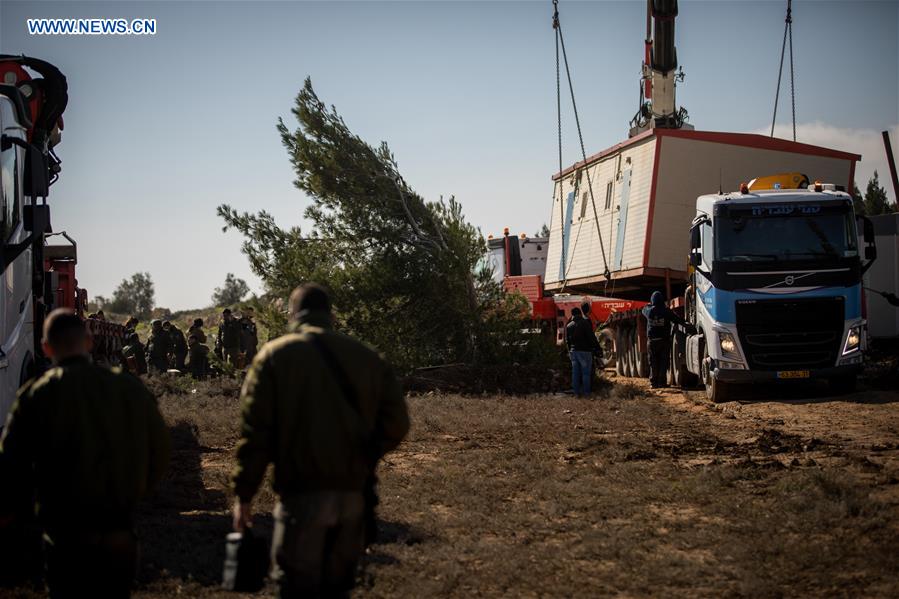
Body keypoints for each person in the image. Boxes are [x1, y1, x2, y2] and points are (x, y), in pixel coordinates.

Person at [231, 283, 409, 597]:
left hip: (301, 496)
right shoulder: (367, 357)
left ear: (293, 314)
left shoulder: (274, 356)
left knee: (297, 587)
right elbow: (398, 423)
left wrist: (244, 493)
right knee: (338, 589)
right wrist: (364, 457)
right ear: (331, 315)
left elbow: (256, 433)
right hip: (353, 496)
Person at [0, 309, 170, 598]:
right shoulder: (128, 388)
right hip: (118, 530)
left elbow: (12, 463)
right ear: (89, 342)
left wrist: (20, 514)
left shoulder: (36, 395)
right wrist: (137, 492)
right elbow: (160, 449)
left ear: (46, 348)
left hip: (64, 536)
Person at [641, 291, 691, 388]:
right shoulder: (666, 311)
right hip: (664, 341)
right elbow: (676, 319)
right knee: (663, 362)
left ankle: (653, 383)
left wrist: (649, 305)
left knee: (653, 362)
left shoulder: (649, 311)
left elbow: (643, 309)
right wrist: (686, 323)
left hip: (652, 341)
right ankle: (662, 382)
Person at [566, 307, 601, 396]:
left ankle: (576, 393)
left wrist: (569, 351)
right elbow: (591, 337)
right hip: (585, 352)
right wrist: (598, 348)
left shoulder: (569, 326)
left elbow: (567, 341)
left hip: (574, 352)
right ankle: (586, 393)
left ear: (572, 315)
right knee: (586, 374)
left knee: (575, 374)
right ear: (580, 313)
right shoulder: (585, 323)